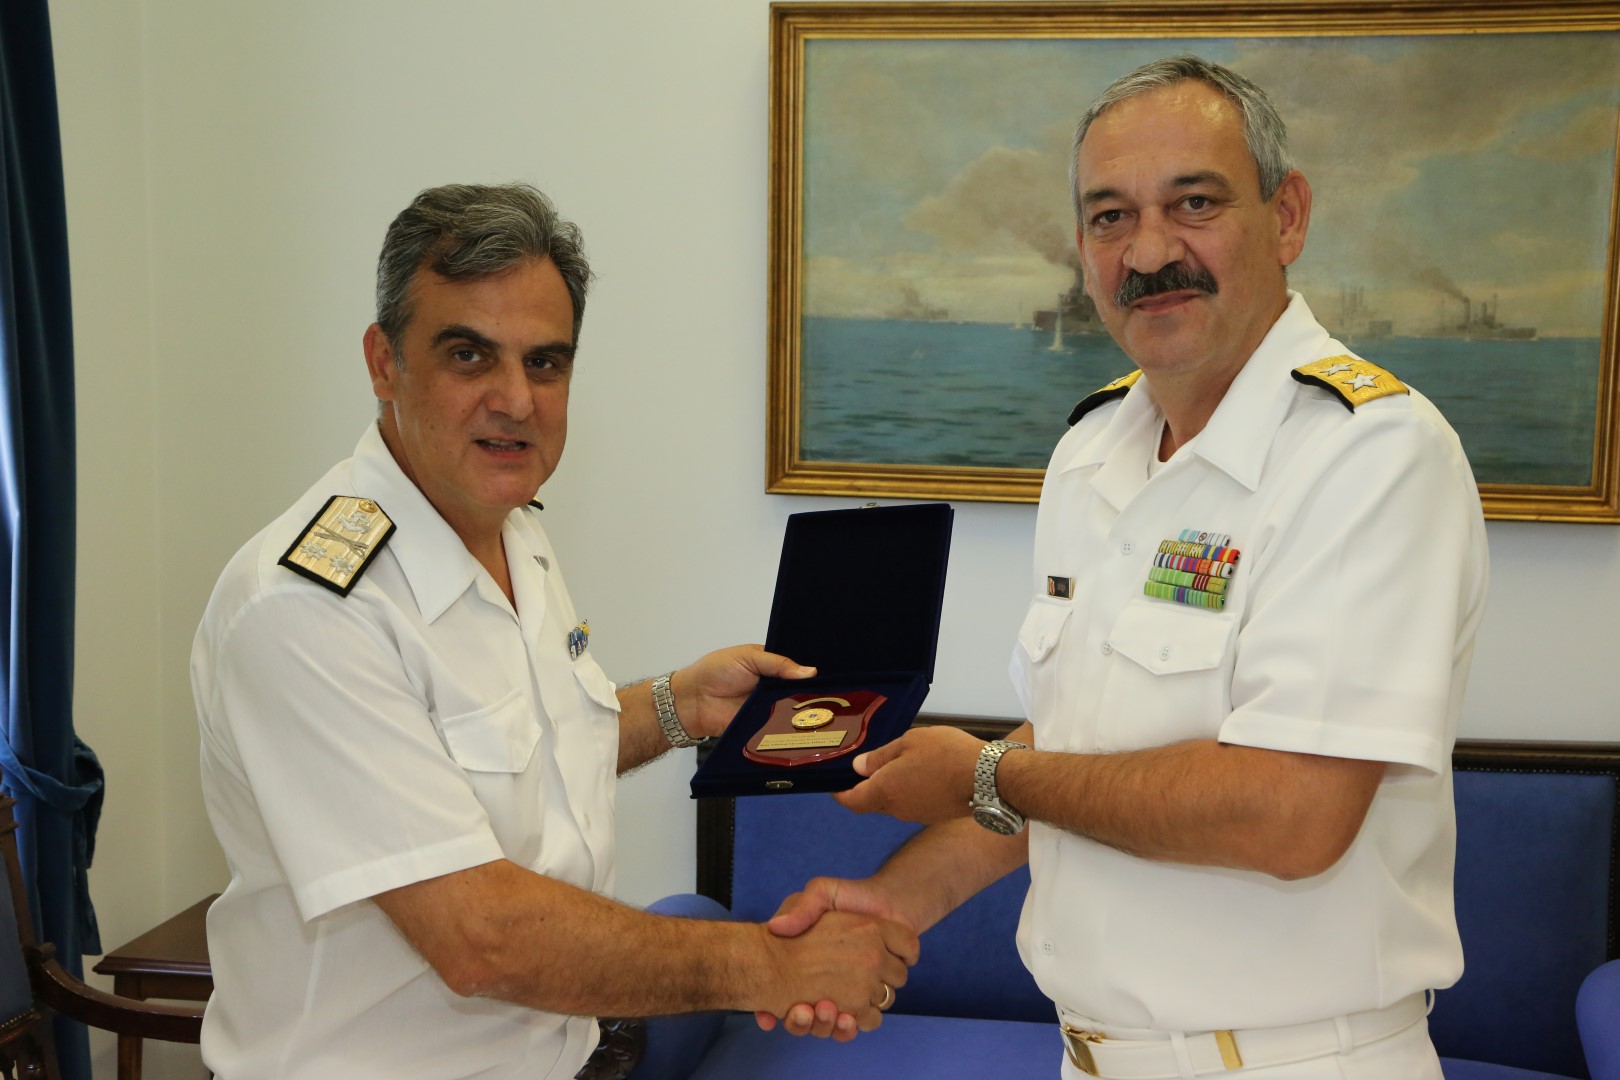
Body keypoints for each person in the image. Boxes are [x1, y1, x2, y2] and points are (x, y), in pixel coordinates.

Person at [762, 56, 1489, 1078]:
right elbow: (1077, 756)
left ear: (1286, 217)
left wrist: (983, 771)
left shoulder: (1371, 453)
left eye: (1195, 204)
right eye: (1111, 217)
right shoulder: (1090, 452)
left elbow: (1292, 815)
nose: (1149, 252)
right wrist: (896, 901)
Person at [193, 182, 917, 1080]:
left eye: (545, 363)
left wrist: (680, 704)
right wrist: (769, 965)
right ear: (384, 362)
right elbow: (481, 937)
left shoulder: (512, 529)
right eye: (468, 355)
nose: (515, 400)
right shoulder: (307, 606)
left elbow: (532, 753)